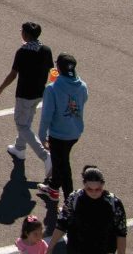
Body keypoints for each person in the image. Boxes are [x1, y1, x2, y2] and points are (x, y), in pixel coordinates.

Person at [0, 20, 53, 171]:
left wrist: (0, 89)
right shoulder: (46, 50)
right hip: (39, 93)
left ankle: (45, 156)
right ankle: (19, 148)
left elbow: (13, 74)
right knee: (27, 120)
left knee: (22, 125)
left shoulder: (22, 52)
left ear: (26, 35)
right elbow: (51, 71)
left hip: (24, 94)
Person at [39, 52, 88, 207]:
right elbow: (84, 99)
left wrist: (41, 136)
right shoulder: (82, 86)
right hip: (75, 132)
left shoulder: (52, 89)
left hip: (58, 134)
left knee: (63, 166)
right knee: (60, 161)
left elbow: (46, 115)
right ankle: (53, 187)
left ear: (58, 68)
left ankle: (69, 203)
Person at [53, 165, 129, 253]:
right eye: (89, 189)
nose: (94, 193)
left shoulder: (114, 203)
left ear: (103, 184)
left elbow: (121, 232)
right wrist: (50, 247)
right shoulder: (74, 198)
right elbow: (62, 224)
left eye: (98, 189)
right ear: (84, 184)